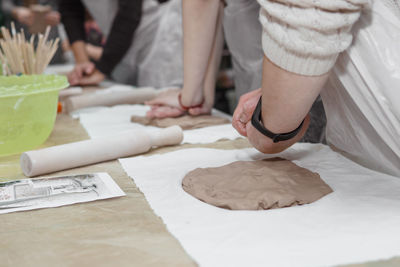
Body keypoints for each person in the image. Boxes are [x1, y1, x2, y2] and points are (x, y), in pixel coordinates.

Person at [147, 0, 370, 153]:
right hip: (303, 43)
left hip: (305, 45)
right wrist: (196, 95)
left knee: (305, 162)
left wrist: (272, 129)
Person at [146, 0, 264, 118]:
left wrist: (189, 98)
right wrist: (203, 95)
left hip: (269, 71)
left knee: (263, 125)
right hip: (260, 67)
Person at [60, 0, 183, 88]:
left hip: (157, 35)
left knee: (161, 98)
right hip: (119, 44)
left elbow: (130, 12)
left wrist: (103, 68)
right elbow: (70, 9)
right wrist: (82, 62)